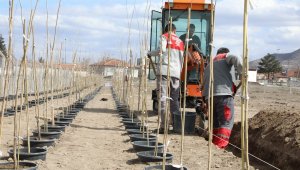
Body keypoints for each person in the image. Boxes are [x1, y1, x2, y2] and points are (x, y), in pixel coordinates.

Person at [148, 23, 184, 133]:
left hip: (164, 70)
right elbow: (182, 60)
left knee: (163, 98)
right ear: (175, 30)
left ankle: (164, 126)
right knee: (174, 100)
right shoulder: (181, 42)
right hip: (176, 73)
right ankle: (176, 124)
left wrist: (150, 53)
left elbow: (161, 50)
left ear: (166, 30)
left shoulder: (164, 36)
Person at [203, 47, 242, 148]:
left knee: (215, 123)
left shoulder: (209, 63)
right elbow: (235, 57)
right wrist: (243, 73)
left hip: (209, 97)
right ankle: (221, 146)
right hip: (223, 95)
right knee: (226, 122)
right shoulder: (224, 56)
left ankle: (215, 143)